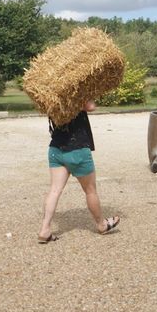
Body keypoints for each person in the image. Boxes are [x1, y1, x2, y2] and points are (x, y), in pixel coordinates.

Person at [38, 99, 120, 243]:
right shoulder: (74, 93)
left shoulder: (50, 96)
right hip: (77, 149)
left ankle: (45, 230)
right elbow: (91, 106)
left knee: (55, 190)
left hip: (55, 149)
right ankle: (102, 224)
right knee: (90, 191)